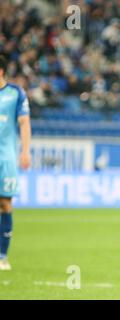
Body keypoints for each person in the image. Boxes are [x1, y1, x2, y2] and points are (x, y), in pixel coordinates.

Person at [0, 55, 32, 271]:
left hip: (6, 158)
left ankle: (2, 256)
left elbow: (24, 123)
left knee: (5, 203)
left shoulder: (15, 93)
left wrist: (25, 151)